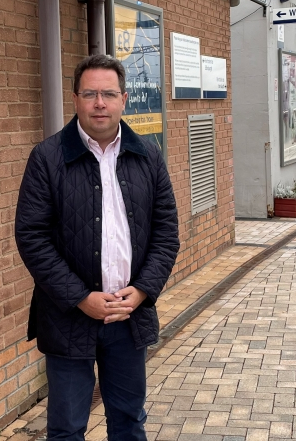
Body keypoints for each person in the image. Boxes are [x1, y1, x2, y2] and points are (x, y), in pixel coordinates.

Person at [15, 54, 180, 441]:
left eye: (108, 94)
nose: (99, 103)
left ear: (124, 99)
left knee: (128, 422)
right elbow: (31, 237)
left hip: (128, 315)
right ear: (75, 99)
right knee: (67, 428)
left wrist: (141, 292)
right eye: (90, 93)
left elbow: (166, 232)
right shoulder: (48, 158)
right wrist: (80, 297)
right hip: (68, 317)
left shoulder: (148, 156)